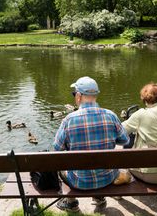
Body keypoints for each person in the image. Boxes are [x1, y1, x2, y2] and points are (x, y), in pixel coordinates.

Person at [53, 76, 130, 212]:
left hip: (79, 182)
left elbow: (57, 148)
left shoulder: (69, 120)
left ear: (78, 96)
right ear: (96, 95)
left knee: (61, 168)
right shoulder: (111, 115)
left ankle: (71, 203)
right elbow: (125, 140)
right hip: (107, 177)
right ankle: (99, 197)